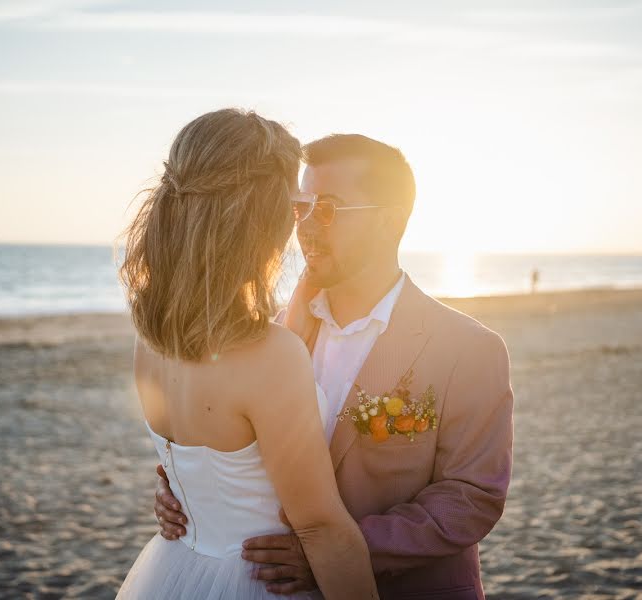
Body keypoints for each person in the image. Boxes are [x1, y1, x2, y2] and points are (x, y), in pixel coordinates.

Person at [155, 134, 515, 599]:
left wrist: (337, 550)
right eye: (300, 207)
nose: (304, 226)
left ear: (389, 221)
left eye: (326, 208)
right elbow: (219, 440)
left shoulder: (470, 349)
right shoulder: (268, 340)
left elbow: (472, 497)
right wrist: (181, 494)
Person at [115, 110, 379, 600]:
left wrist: (177, 495)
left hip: (178, 569)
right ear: (261, 221)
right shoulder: (271, 355)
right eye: (293, 204)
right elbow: (323, 529)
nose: (298, 221)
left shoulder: (149, 338)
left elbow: (192, 470)